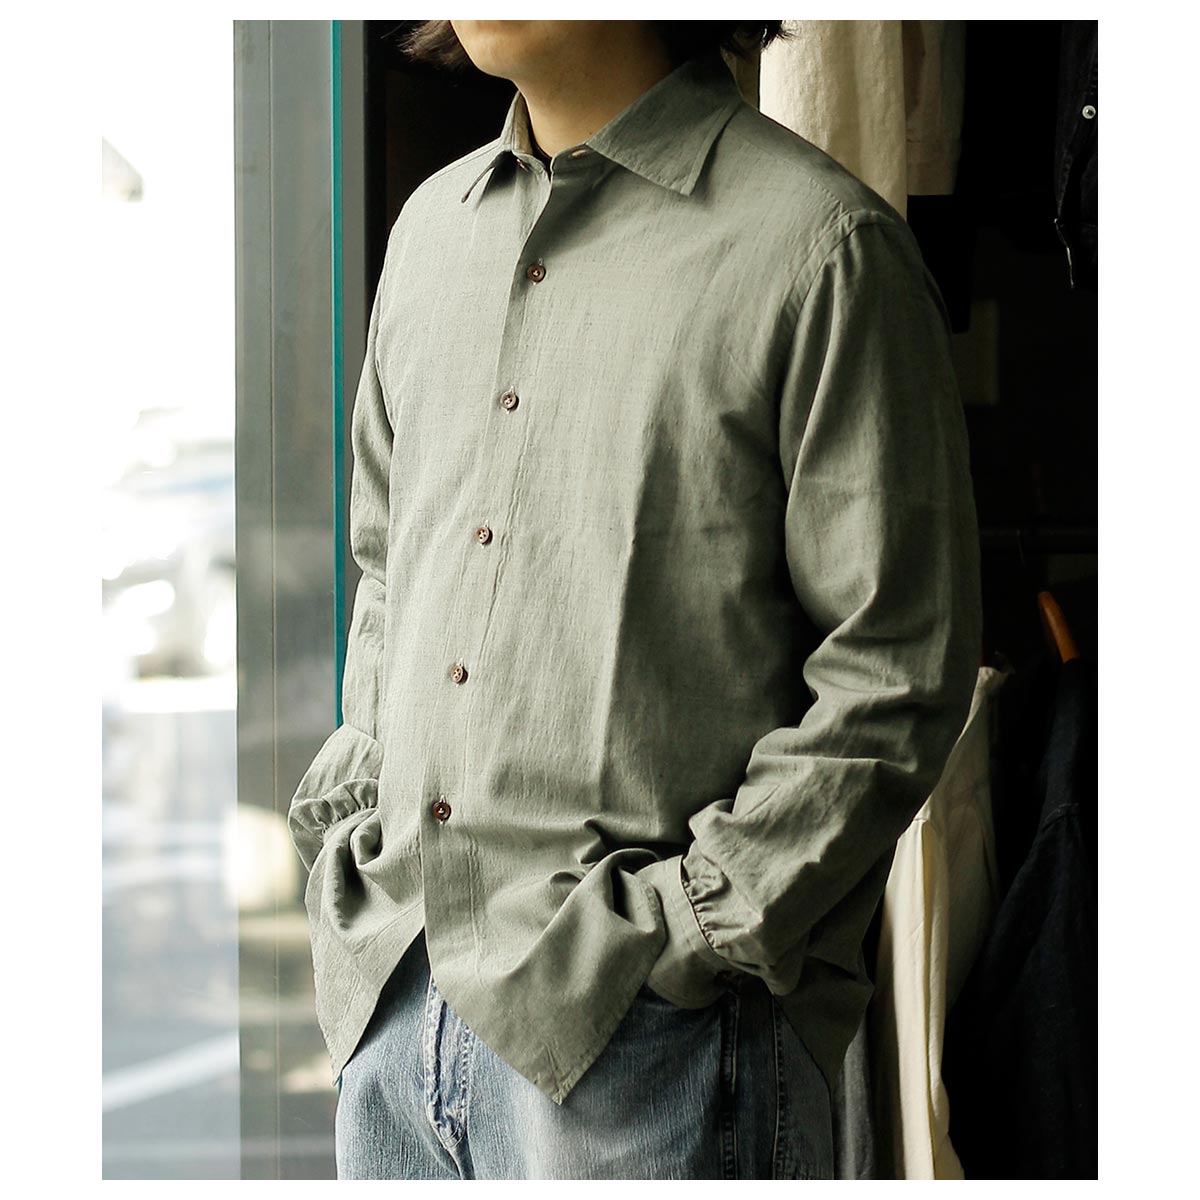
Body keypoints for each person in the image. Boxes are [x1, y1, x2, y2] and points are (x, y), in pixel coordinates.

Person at [287, 18, 982, 1180]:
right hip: (396, 1005)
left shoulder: (821, 249)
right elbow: (387, 570)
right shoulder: (429, 234)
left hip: (650, 1046)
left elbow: (895, 667)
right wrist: (358, 843)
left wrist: (698, 924)